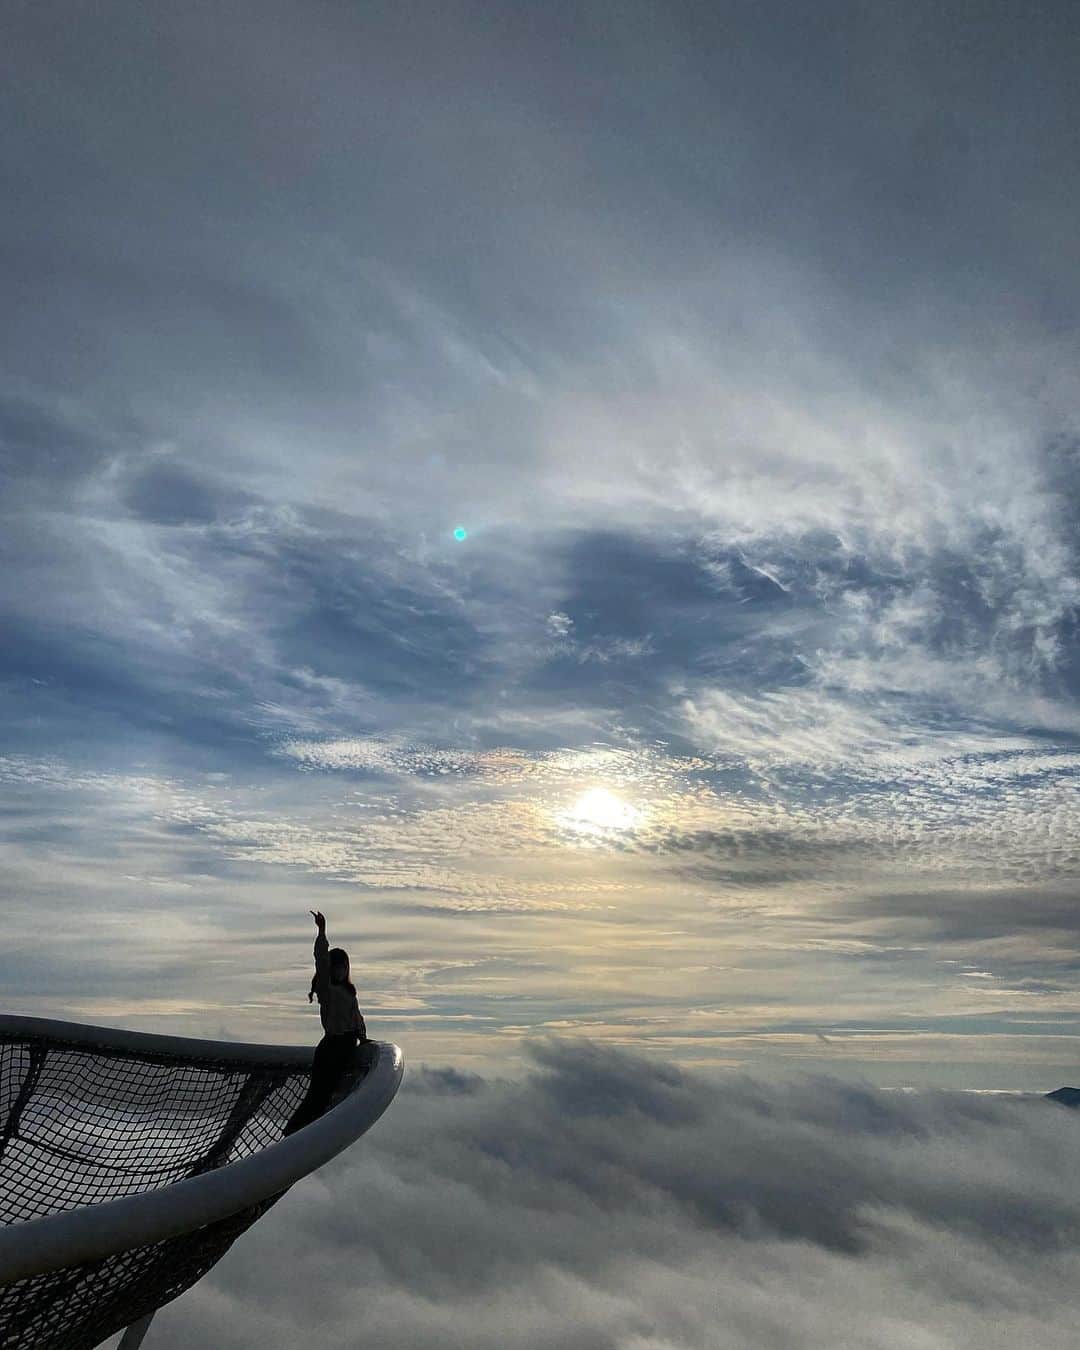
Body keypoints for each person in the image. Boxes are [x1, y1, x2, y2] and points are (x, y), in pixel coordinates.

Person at [284, 910, 367, 1136]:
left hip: (346, 1045)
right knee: (318, 1096)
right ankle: (293, 1134)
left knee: (325, 1096)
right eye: (336, 966)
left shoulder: (349, 991)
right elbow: (320, 960)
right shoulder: (327, 990)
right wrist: (322, 932)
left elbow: (357, 1018)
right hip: (332, 1048)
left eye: (343, 966)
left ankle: (299, 1134)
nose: (340, 970)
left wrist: (363, 1038)